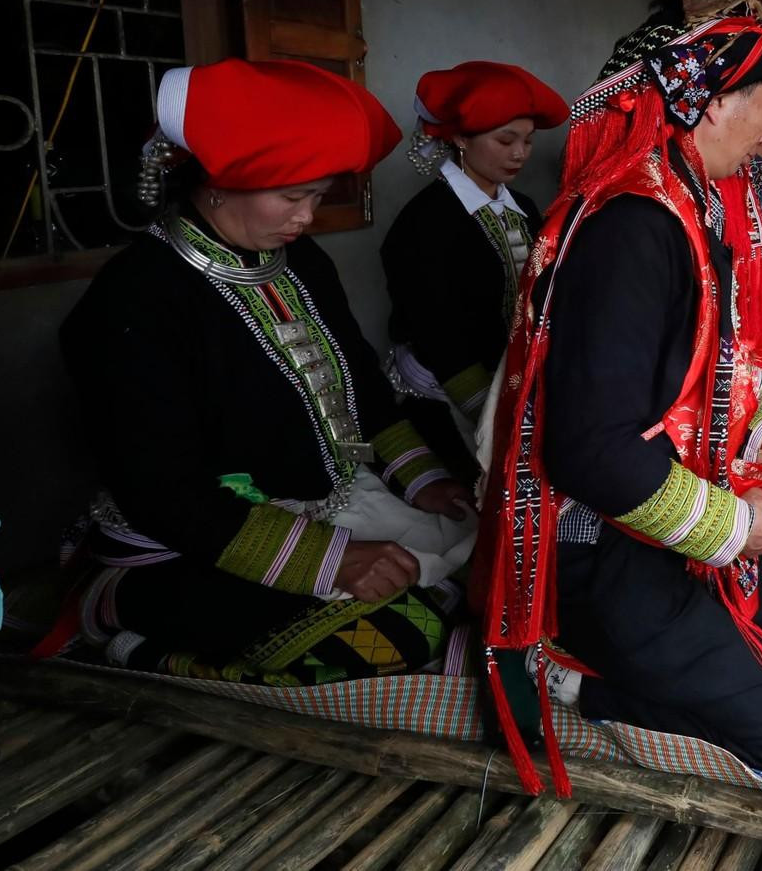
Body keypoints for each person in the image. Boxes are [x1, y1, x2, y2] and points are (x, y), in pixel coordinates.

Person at [477, 13, 762, 785]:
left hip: (650, 505)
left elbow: (688, 384)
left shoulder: (679, 201)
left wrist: (755, 435)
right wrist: (732, 525)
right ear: (711, 102)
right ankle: (569, 674)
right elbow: (590, 450)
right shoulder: (635, 225)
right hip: (593, 541)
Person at [59, 59, 476, 685]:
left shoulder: (298, 261)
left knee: (486, 569)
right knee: (397, 635)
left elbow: (361, 386)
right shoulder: (134, 301)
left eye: (317, 196)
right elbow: (163, 489)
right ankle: (122, 616)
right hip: (185, 537)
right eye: (293, 196)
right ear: (218, 183)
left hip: (333, 499)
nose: (307, 218)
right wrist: (331, 561)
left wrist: (425, 484)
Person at [380, 61, 568, 471]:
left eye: (528, 141)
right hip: (448, 391)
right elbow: (436, 332)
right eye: (505, 140)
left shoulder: (524, 209)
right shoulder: (424, 222)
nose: (519, 154)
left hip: (513, 382)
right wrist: (492, 412)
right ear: (461, 138)